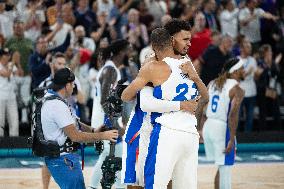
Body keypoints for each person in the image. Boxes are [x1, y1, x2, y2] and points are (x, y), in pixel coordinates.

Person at [121, 28, 208, 189]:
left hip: (162, 129)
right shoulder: (187, 64)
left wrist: (143, 72)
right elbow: (205, 97)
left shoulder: (153, 66)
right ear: (172, 42)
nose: (188, 43)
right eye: (185, 39)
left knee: (150, 183)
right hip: (179, 131)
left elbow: (128, 97)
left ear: (153, 48)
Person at [41, 68, 118, 189]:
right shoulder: (57, 105)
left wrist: (93, 130)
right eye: (73, 84)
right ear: (67, 85)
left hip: (61, 158)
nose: (74, 87)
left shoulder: (51, 98)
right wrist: (103, 136)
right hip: (63, 160)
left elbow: (74, 122)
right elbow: (75, 136)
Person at [38, 52, 85, 189]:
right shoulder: (45, 84)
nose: (61, 66)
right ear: (52, 65)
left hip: (71, 122)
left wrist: (72, 88)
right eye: (59, 63)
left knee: (70, 161)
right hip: (54, 127)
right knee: (47, 160)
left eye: (64, 64)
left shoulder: (72, 82)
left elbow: (82, 100)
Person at [89, 39, 130, 189]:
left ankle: (118, 186)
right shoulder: (110, 70)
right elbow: (104, 101)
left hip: (105, 119)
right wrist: (113, 125)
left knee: (116, 154)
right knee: (109, 154)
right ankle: (93, 186)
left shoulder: (111, 69)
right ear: (121, 52)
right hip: (104, 120)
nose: (130, 54)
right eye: (128, 50)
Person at [201, 58, 245, 189]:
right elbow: (233, 115)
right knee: (225, 169)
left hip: (209, 126)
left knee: (222, 168)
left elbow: (201, 106)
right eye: (242, 68)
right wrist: (231, 138)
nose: (244, 70)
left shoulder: (212, 83)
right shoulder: (237, 89)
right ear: (235, 71)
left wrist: (200, 128)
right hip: (222, 128)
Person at [0, 48, 19, 137]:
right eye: (6, 55)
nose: (8, 56)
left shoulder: (11, 64)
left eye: (9, 55)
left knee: (14, 120)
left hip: (11, 96)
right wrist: (13, 63)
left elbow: (21, 74)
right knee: (0, 120)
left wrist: (17, 63)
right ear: (1, 56)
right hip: (1, 97)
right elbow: (6, 74)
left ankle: (14, 142)